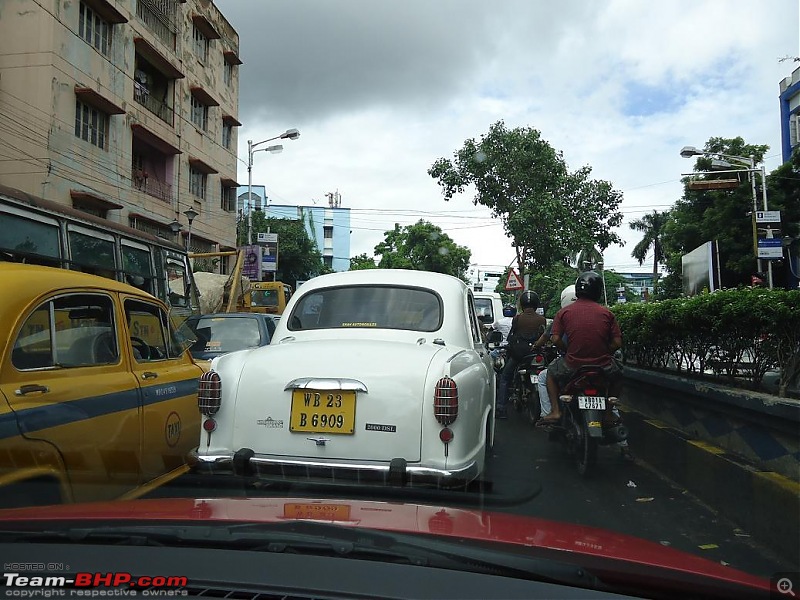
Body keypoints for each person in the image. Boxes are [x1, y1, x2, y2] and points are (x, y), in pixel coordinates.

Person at [541, 272, 622, 426]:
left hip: (572, 365)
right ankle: (609, 412)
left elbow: (555, 339)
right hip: (603, 365)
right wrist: (604, 351)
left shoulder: (563, 312)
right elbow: (617, 342)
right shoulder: (607, 313)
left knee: (549, 374)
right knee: (618, 375)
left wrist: (568, 351)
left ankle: (556, 411)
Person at [496, 290, 546, 419]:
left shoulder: (517, 318)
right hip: (535, 354)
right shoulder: (542, 319)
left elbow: (512, 336)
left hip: (519, 355)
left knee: (505, 378)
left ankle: (501, 408)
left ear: (522, 304)